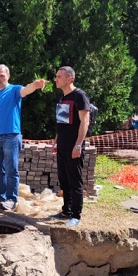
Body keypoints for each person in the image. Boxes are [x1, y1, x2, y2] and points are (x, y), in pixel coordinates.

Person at [0, 64, 48, 211]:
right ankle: (0, 195)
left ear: (8, 76)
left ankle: (12, 199)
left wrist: (35, 85)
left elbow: (26, 90)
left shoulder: (14, 90)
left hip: (11, 136)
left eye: (2, 75)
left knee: (12, 169)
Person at [51, 66, 90, 227]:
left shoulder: (79, 96)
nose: (56, 79)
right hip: (62, 145)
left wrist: (78, 145)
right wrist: (56, 141)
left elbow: (85, 121)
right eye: (56, 76)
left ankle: (76, 215)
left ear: (70, 79)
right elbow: (62, 122)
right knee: (64, 180)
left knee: (75, 181)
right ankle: (66, 211)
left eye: (59, 77)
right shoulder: (62, 97)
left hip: (74, 146)